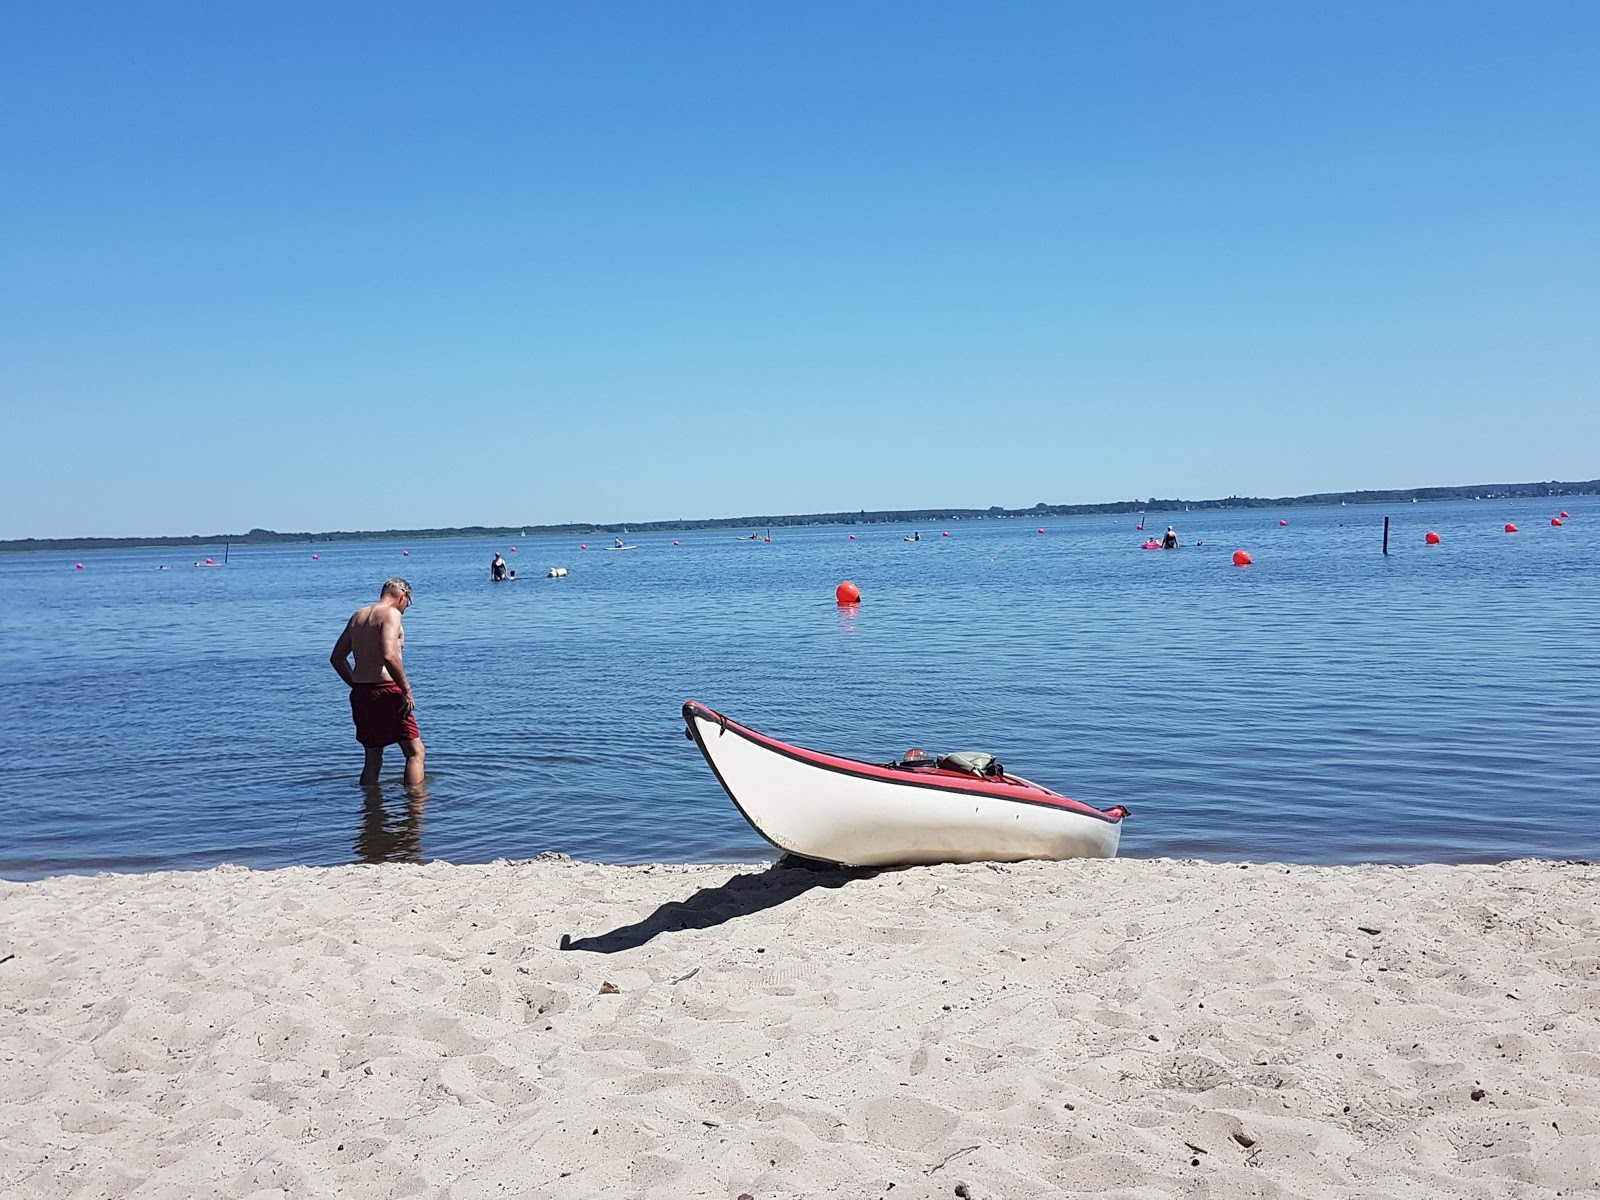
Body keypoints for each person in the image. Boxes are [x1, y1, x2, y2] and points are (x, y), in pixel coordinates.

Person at [330, 577, 424, 787]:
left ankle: (371, 811)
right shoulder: (391, 614)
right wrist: (406, 690)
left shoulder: (358, 616)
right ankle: (415, 812)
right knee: (415, 752)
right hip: (387, 690)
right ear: (403, 596)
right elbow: (390, 656)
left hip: (362, 694)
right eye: (408, 602)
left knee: (372, 759)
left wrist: (356, 684)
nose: (407, 608)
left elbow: (337, 658)